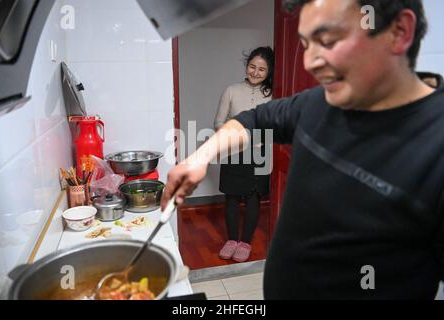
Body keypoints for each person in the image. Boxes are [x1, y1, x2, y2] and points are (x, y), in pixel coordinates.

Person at [162, 0, 444, 299]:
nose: (310, 62)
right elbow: (251, 120)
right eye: (307, 44)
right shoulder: (317, 103)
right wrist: (201, 157)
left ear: (399, 32)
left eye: (327, 41)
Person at [214, 47, 274, 262]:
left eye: (262, 69)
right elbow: (218, 122)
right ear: (246, 65)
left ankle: (245, 242)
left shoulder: (274, 93)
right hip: (233, 150)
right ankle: (231, 240)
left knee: (253, 196)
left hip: (259, 153)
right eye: (252, 67)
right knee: (231, 196)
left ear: (269, 72)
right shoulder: (231, 90)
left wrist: (263, 139)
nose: (255, 72)